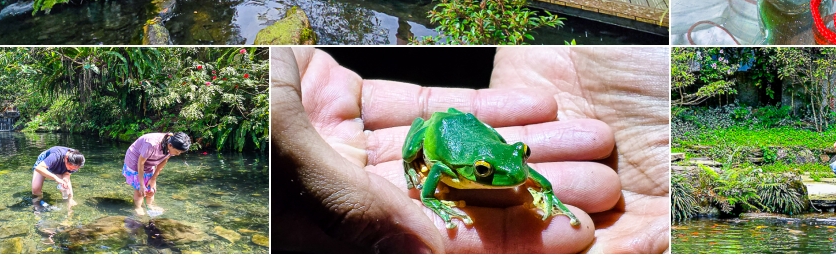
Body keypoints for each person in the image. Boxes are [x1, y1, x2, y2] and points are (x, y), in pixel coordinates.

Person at [271, 46, 667, 253]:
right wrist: (433, 197)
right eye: (483, 172)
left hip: (476, 132)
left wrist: (545, 191)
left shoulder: (512, 166)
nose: (518, 174)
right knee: (419, 152)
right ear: (475, 170)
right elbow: (438, 175)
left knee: (512, 168)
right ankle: (418, 162)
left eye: (523, 153)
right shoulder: (456, 171)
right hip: (439, 132)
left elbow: (519, 171)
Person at [124, 132, 191, 216]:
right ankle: (138, 207)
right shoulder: (151, 144)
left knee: (151, 189)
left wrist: (153, 178)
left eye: (180, 152)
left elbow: (164, 160)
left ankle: (149, 205)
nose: (178, 154)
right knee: (139, 190)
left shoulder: (171, 144)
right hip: (135, 161)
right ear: (170, 145)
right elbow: (140, 163)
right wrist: (141, 184)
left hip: (150, 161)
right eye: (177, 152)